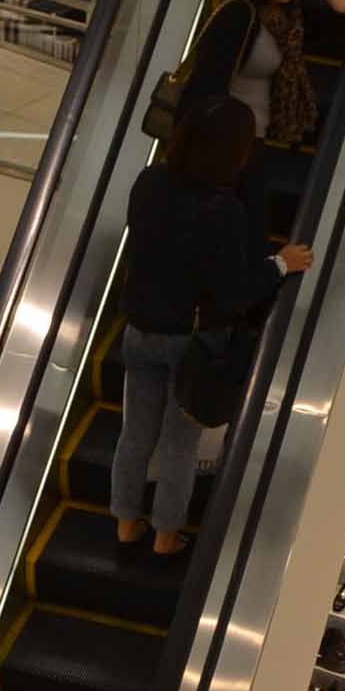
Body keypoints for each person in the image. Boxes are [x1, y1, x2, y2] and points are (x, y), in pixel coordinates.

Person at [112, 98, 310, 557]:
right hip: (190, 342)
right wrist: (280, 264)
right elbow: (233, 292)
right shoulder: (223, 210)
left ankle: (125, 523)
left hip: (139, 330)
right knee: (180, 445)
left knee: (134, 434)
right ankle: (165, 535)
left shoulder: (149, 182)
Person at [184, 0, 345, 236]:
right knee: (242, 228)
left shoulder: (288, 18)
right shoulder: (239, 14)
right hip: (228, 143)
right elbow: (206, 85)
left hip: (253, 139)